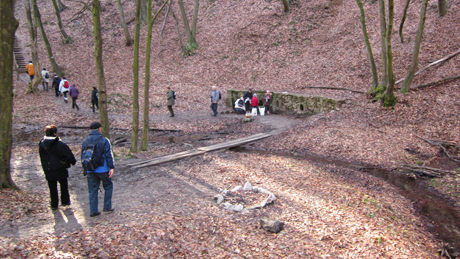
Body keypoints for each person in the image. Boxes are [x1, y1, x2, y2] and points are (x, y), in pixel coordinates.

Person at [38, 125, 77, 210]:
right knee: (63, 184)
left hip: (48, 168)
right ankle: (65, 201)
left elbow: (41, 156)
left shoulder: (42, 144)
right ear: (55, 133)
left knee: (52, 187)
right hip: (60, 167)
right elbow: (68, 154)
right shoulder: (60, 144)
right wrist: (73, 162)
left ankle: (54, 204)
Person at [81, 122, 115, 217]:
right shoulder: (104, 140)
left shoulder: (85, 140)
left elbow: (82, 155)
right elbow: (108, 155)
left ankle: (93, 210)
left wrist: (85, 168)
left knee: (92, 190)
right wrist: (111, 167)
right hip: (103, 168)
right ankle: (107, 206)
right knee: (108, 186)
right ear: (99, 129)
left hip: (90, 169)